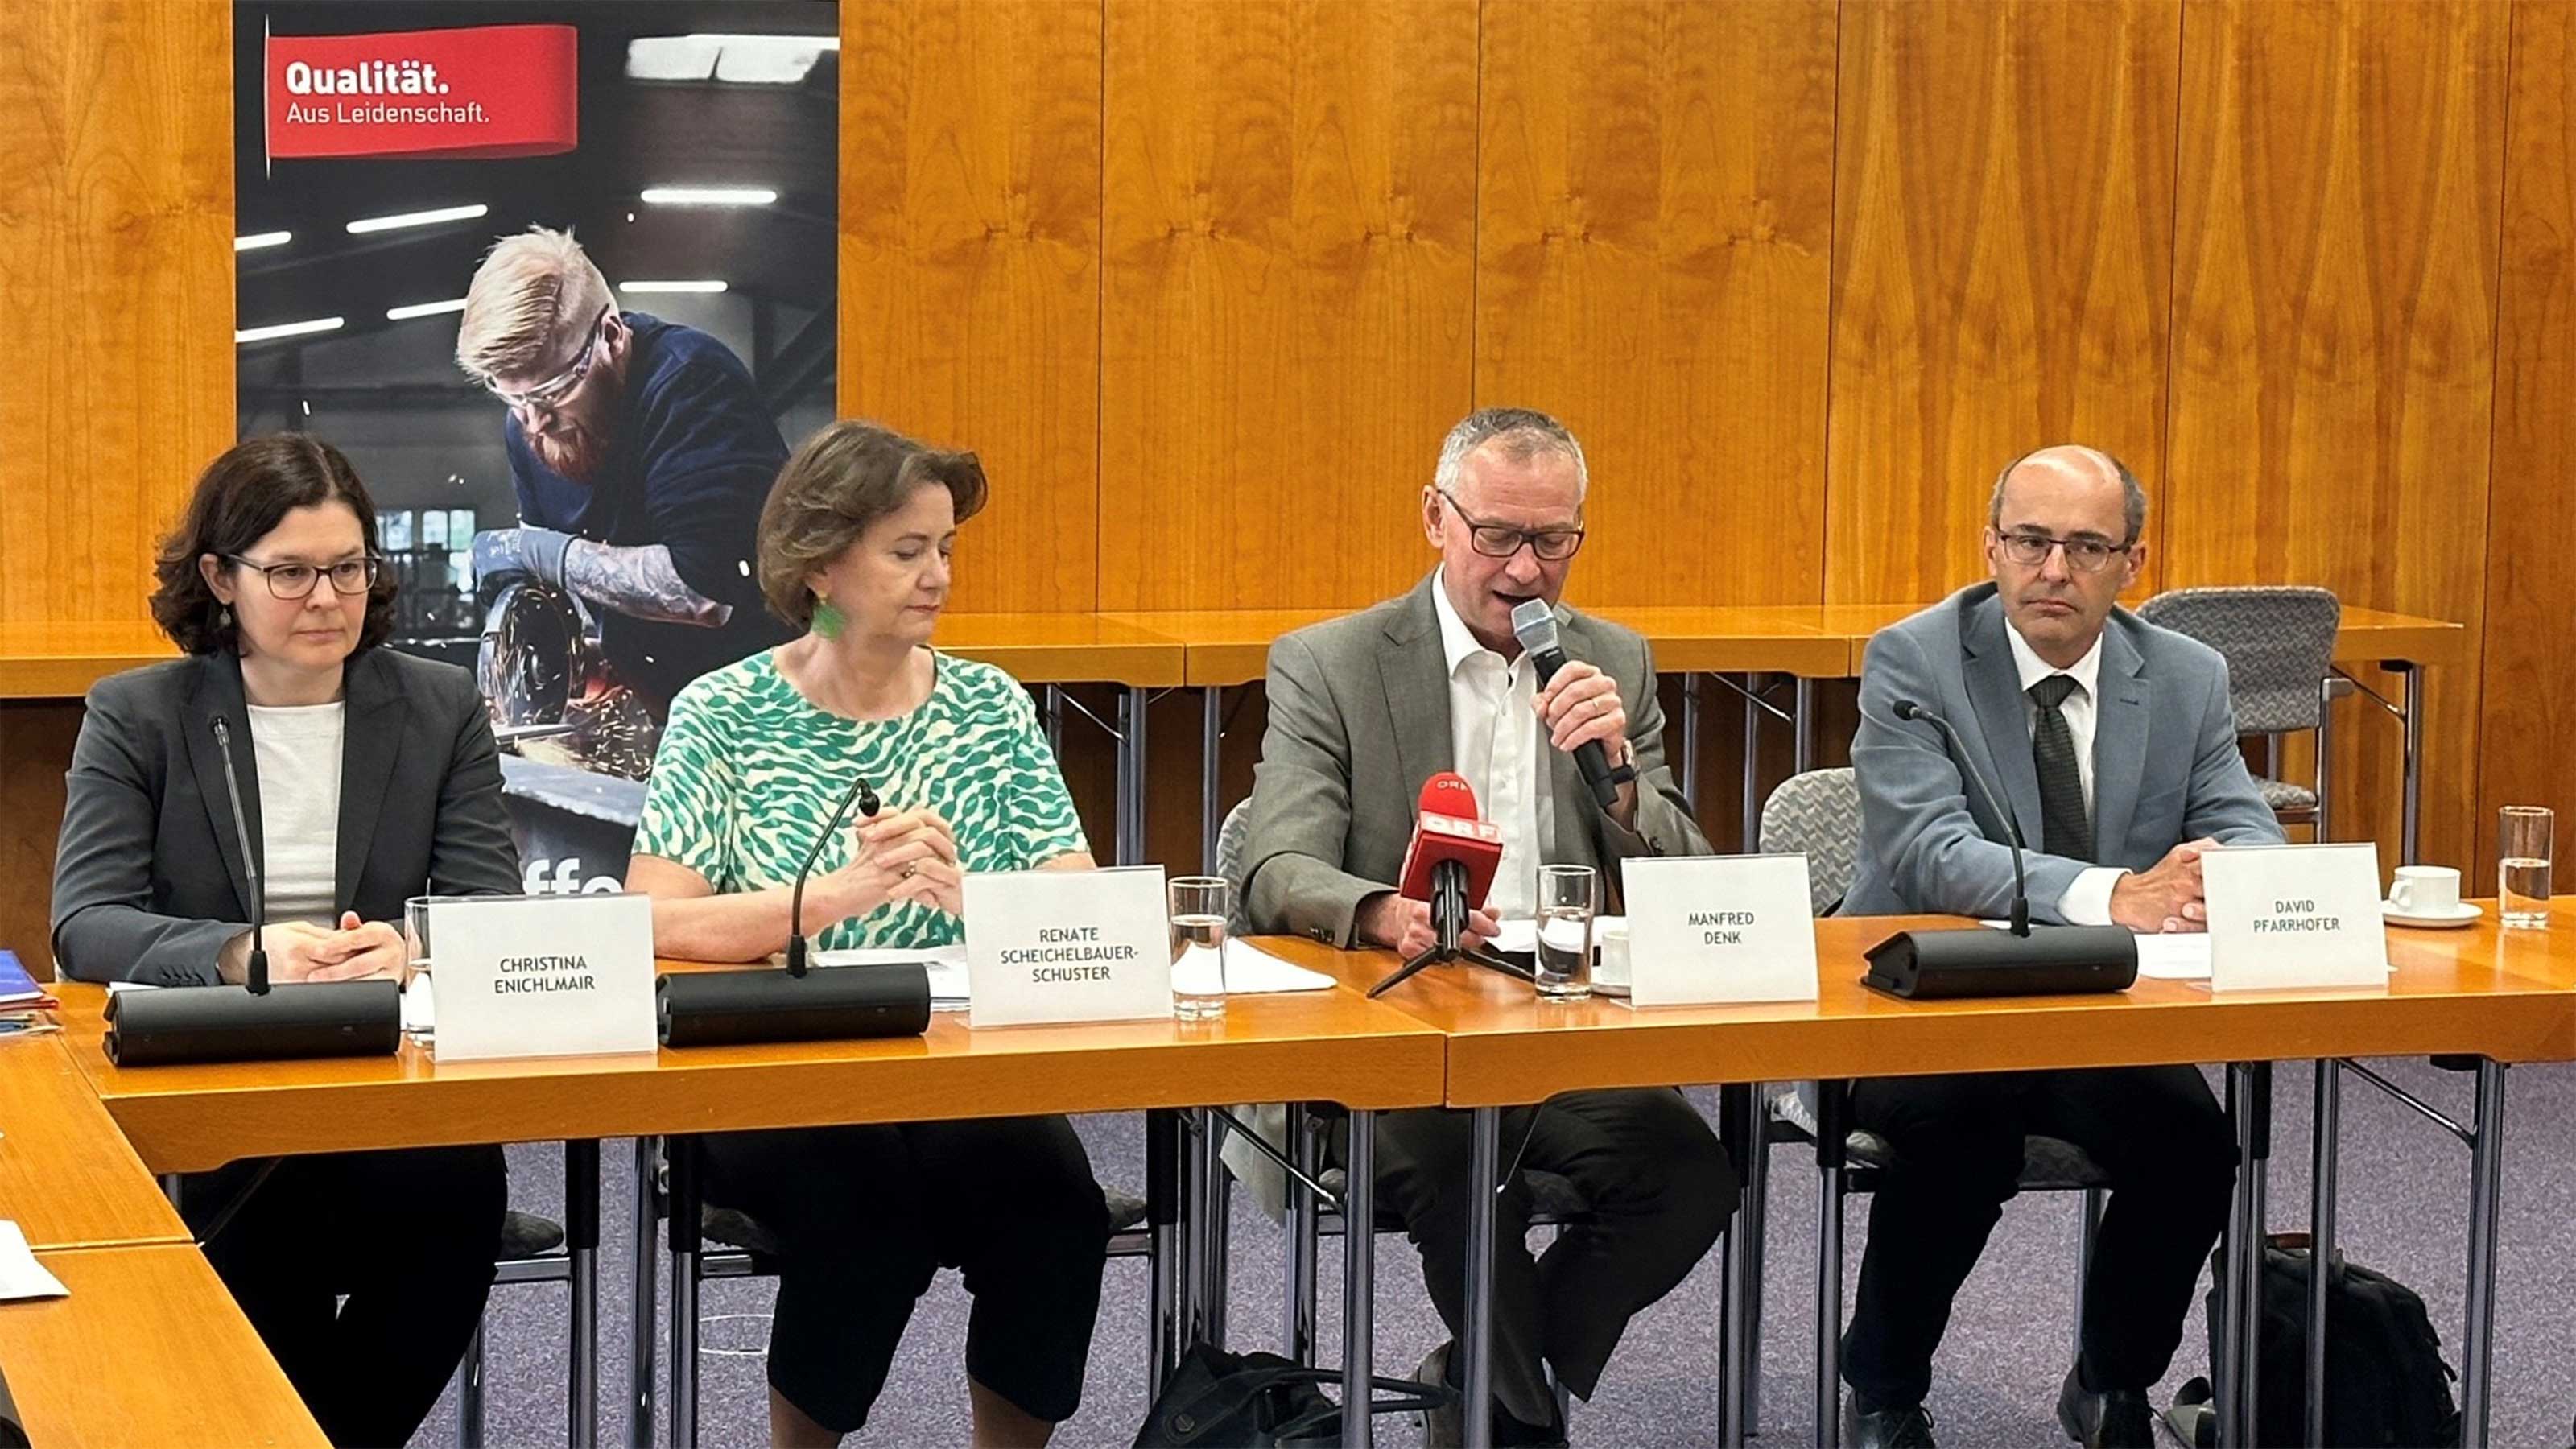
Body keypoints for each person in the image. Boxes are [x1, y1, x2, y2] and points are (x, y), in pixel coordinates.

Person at [1239, 407, 1736, 1447]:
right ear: (1436, 518)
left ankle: (1481, 1373)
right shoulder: (1330, 663)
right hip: (1394, 1030)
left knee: (1690, 1175)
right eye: (1498, 536)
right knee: (1464, 1172)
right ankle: (1517, 1427)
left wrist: (1628, 792)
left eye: (1553, 541)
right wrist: (1378, 910)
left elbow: (1685, 878)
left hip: (1558, 1020)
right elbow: (1272, 866)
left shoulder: (1614, 661)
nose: (1526, 570)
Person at [625, 419, 1108, 1447]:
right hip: (774, 1071)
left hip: (959, 1062)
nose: (936, 576)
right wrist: (833, 899)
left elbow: (1080, 903)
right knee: (868, 1225)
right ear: (818, 566)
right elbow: (652, 923)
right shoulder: (726, 711)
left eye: (944, 550)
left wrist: (967, 893)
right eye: (906, 551)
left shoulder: (988, 705)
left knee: (1056, 1215)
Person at [49, 434, 514, 1447]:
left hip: (387, 1088)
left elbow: (489, 906)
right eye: (291, 572)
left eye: (348, 569)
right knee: (264, 1217)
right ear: (220, 577)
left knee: (461, 1190)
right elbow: (86, 924)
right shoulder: (143, 714)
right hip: (220, 1092)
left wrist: (411, 945)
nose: (326, 599)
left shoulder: (436, 706)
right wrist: (243, 953)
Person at [1838, 445, 2280, 1449]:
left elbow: (2242, 820)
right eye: (2030, 542)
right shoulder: (1913, 659)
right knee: (1958, 1138)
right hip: (1926, 1000)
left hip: (2096, 1011)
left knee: (2194, 1147)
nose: (2053, 570)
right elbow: (1928, 854)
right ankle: (1884, 1390)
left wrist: (2221, 868)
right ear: (1989, 547)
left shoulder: (2183, 674)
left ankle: (2110, 1383)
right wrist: (2117, 895)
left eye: (2086, 547)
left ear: (2132, 560)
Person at [456, 225, 795, 717]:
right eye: (512, 396)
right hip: (663, 705)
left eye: (552, 390)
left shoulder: (690, 383)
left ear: (611, 336)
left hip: (763, 705)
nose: (535, 420)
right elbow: (564, 589)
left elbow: (708, 590)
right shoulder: (529, 426)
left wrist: (541, 552)